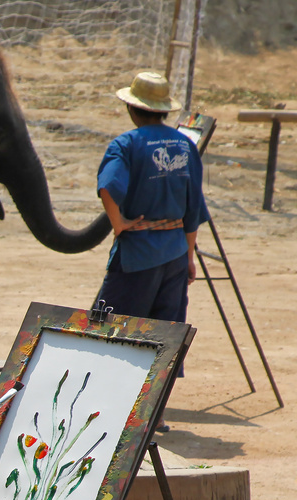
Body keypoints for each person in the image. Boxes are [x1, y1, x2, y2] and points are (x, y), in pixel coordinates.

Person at [91, 71, 206, 326]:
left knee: (109, 331)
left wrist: (118, 223)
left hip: (137, 256)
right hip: (175, 255)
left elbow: (108, 185)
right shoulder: (185, 144)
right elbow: (193, 210)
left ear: (131, 108)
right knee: (165, 344)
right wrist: (188, 258)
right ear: (163, 110)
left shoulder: (126, 144)